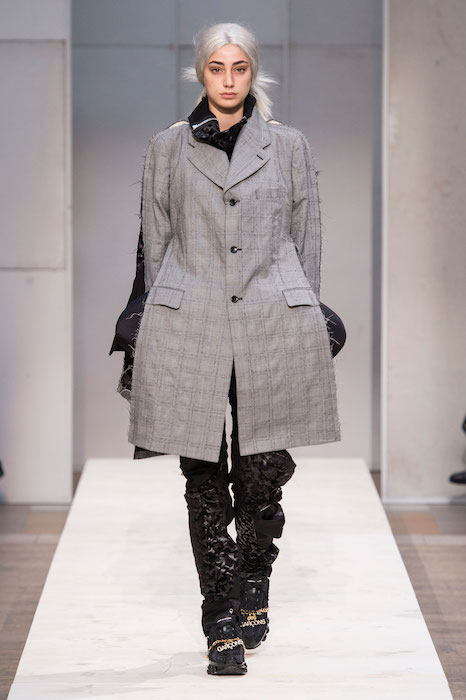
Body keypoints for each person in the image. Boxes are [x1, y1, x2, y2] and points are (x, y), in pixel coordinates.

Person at [111, 22, 342, 676]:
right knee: (203, 473)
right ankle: (219, 619)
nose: (229, 79)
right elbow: (157, 243)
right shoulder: (167, 147)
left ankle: (254, 577)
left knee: (264, 469)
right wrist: (156, 321)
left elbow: (307, 241)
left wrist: (304, 317)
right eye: (217, 67)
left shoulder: (289, 146)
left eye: (240, 67)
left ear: (253, 71)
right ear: (200, 72)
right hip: (193, 321)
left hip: (272, 318)